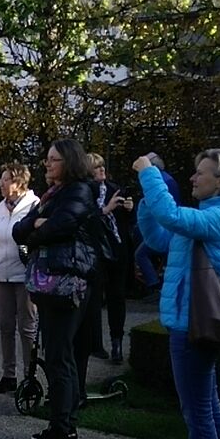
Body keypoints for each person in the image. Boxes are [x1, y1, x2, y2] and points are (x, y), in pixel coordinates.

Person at [134, 148, 220, 439]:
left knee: (198, 414)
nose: (192, 178)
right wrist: (146, 201)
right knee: (209, 408)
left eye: (200, 173)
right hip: (194, 322)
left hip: (192, 325)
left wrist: (149, 173)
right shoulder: (209, 216)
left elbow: (170, 215)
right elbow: (159, 238)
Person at [13, 140, 97, 439]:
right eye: (47, 159)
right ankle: (66, 425)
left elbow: (60, 226)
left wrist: (35, 232)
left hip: (65, 283)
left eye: (54, 159)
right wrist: (37, 225)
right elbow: (18, 230)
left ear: (70, 162)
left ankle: (60, 430)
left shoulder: (78, 192)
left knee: (59, 357)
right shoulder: (53, 195)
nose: (47, 164)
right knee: (61, 354)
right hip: (51, 282)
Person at [0, 162, 40, 394]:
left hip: (23, 274)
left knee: (27, 327)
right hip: (2, 274)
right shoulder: (1, 206)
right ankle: (9, 375)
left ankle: (29, 377)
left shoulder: (34, 205)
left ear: (18, 182)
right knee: (5, 326)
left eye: (5, 179)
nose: (1, 183)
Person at [87, 153, 135, 364]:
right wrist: (105, 210)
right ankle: (95, 344)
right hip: (96, 251)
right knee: (94, 298)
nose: (101, 170)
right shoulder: (85, 192)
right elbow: (85, 219)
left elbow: (127, 222)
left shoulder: (115, 189)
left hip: (117, 250)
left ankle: (117, 343)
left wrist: (129, 209)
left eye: (102, 166)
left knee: (117, 297)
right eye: (96, 167)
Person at [134, 153, 182, 297]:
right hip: (167, 226)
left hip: (163, 229)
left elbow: (159, 206)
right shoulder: (168, 179)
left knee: (140, 254)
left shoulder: (159, 180)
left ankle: (153, 284)